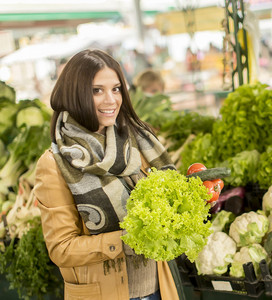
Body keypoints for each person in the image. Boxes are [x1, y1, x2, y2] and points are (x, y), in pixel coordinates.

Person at [33, 49, 179, 300]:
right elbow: (61, 249)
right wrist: (124, 241)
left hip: (158, 288)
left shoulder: (138, 142)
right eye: (96, 90)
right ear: (75, 94)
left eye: (116, 89)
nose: (111, 100)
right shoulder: (54, 163)